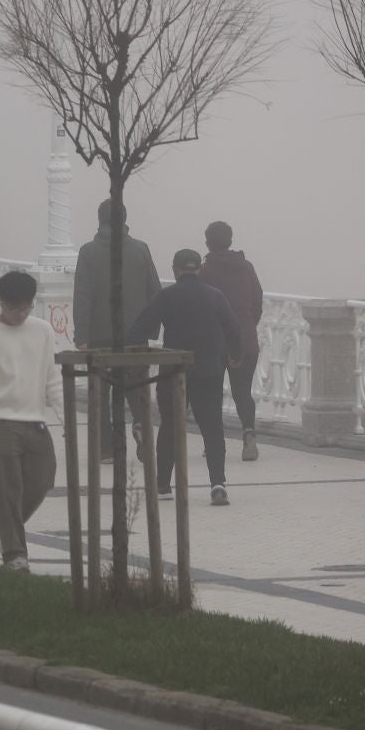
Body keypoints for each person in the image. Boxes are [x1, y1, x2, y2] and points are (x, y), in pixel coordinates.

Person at [128, 248, 243, 507]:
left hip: (174, 370)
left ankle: (162, 485)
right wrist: (235, 356)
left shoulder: (166, 296)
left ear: (175, 269)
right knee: (212, 427)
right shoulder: (215, 296)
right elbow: (234, 329)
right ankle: (217, 484)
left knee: (170, 425)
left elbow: (140, 328)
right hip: (209, 370)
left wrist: (137, 352)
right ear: (199, 269)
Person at [0, 270, 59, 572]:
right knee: (8, 488)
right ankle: (15, 554)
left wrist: (65, 417)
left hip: (34, 421)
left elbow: (51, 379)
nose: (20, 314)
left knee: (43, 479)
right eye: (13, 307)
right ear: (0, 302)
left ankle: (5, 520)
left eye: (26, 307)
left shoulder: (43, 330)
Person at [72, 198, 162, 460]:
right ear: (124, 219)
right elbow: (154, 291)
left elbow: (83, 296)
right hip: (135, 335)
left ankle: (106, 448)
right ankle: (140, 426)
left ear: (99, 220)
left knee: (101, 394)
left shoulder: (88, 252)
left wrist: (82, 335)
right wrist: (151, 329)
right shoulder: (141, 250)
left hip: (100, 336)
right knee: (137, 388)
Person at [199, 220, 265, 464]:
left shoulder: (205, 272)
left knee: (212, 393)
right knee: (242, 391)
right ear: (230, 240)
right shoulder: (246, 267)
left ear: (208, 243)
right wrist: (246, 325)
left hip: (215, 342)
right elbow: (257, 301)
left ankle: (214, 442)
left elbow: (203, 308)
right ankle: (249, 433)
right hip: (245, 339)